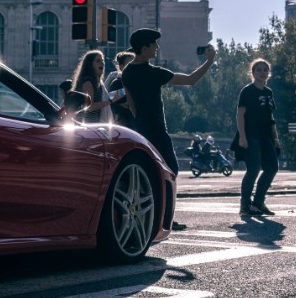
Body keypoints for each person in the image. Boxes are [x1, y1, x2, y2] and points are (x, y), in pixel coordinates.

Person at [122, 28, 216, 231]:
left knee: (147, 173)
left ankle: (148, 217)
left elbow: (132, 106)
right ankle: (164, 218)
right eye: (154, 44)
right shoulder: (154, 73)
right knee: (170, 171)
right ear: (145, 47)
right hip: (157, 129)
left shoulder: (127, 72)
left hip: (140, 131)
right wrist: (209, 61)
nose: (157, 47)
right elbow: (191, 80)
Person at [236, 58, 280, 217]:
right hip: (251, 135)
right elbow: (240, 114)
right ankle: (245, 205)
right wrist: (242, 136)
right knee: (253, 169)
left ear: (269, 73)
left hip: (266, 136)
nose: (262, 72)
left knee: (272, 167)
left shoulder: (268, 92)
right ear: (253, 73)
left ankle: (258, 203)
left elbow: (270, 117)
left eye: (265, 70)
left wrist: (276, 138)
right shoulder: (247, 91)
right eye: (258, 70)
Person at [70, 49, 122, 124]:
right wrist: (110, 101)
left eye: (102, 60)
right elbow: (89, 106)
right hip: (86, 127)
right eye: (98, 61)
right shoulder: (88, 82)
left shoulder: (98, 82)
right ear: (90, 64)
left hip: (92, 125)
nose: (102, 63)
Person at [106, 51, 136, 128]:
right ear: (121, 66)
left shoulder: (139, 83)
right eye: (130, 63)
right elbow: (108, 104)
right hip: (123, 124)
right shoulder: (117, 83)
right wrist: (122, 106)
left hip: (138, 124)